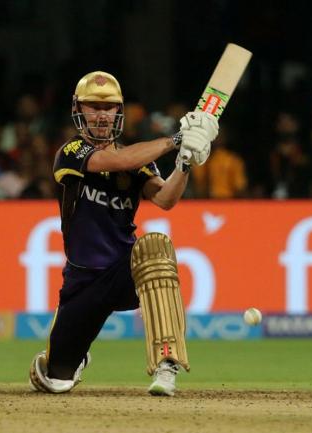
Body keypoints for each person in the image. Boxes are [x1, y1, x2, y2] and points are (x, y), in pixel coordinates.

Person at [28, 71, 217, 396]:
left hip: (124, 272)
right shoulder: (70, 153)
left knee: (155, 246)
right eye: (93, 107)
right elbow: (113, 161)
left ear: (119, 111)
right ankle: (71, 358)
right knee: (55, 378)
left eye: (109, 107)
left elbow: (165, 199)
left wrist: (184, 163)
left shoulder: (139, 162)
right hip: (83, 281)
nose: (102, 115)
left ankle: (166, 363)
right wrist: (175, 140)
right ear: (79, 110)